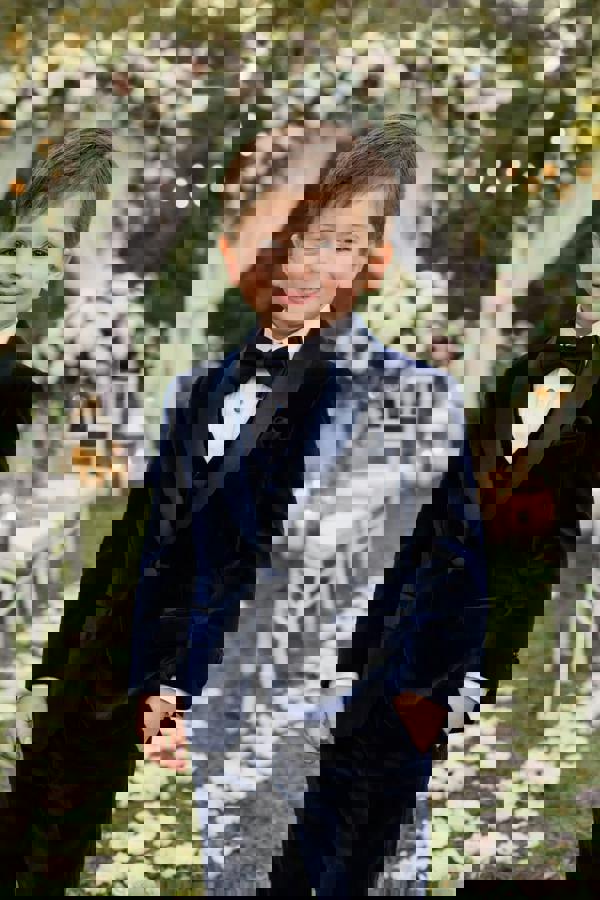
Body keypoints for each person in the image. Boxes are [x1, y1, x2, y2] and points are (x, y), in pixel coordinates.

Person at [130, 118, 489, 895]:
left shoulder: (414, 401)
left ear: (371, 260)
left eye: (328, 240)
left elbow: (449, 578)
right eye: (275, 231)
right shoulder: (202, 396)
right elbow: (172, 554)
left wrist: (418, 719)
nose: (292, 261)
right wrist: (161, 681)